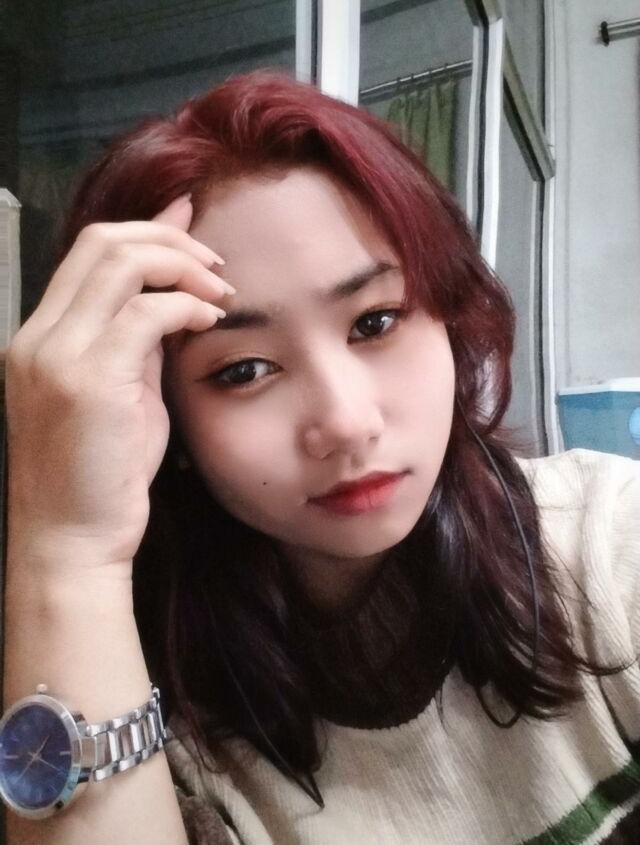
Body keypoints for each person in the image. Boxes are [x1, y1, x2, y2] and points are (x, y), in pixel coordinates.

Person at [2, 69, 639, 845]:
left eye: (375, 322)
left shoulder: (605, 543)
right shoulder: (135, 694)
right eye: (244, 369)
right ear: (165, 418)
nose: (344, 421)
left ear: (451, 317)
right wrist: (66, 550)